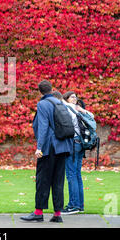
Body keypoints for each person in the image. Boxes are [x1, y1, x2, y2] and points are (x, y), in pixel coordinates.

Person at [20, 81, 73, 223]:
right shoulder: (59, 102)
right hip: (63, 147)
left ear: (40, 92)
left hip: (50, 148)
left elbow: (43, 127)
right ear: (51, 89)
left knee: (43, 180)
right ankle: (57, 214)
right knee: (58, 181)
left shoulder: (43, 104)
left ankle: (38, 213)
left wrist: (39, 148)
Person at [61, 91, 94, 215]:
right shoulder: (79, 110)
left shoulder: (69, 108)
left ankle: (73, 205)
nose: (75, 98)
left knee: (71, 175)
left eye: (75, 96)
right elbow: (92, 116)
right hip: (81, 145)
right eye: (72, 97)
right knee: (77, 174)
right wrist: (81, 109)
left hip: (74, 144)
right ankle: (80, 205)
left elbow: (60, 102)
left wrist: (64, 100)